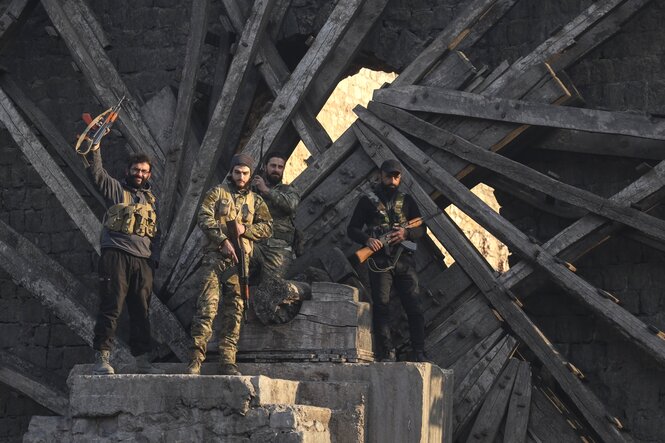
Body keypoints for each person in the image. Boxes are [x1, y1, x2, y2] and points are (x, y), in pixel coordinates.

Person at [188, 153, 273, 375]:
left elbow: (268, 227)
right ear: (232, 171)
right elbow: (204, 216)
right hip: (216, 258)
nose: (241, 177)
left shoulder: (256, 201)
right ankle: (196, 359)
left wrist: (247, 230)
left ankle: (228, 361)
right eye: (237, 172)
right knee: (207, 308)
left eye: (245, 173)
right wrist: (222, 240)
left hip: (240, 263)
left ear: (251, 174)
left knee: (235, 311)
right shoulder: (217, 193)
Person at [89, 149, 163, 375]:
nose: (139, 174)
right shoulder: (116, 190)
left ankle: (142, 360)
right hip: (116, 255)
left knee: (141, 310)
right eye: (135, 170)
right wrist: (95, 149)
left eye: (143, 171)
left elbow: (155, 233)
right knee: (111, 307)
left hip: (142, 261)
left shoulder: (150, 200)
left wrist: (153, 261)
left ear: (149, 174)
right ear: (127, 171)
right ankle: (102, 357)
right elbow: (97, 174)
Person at [347, 159, 427, 362]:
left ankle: (419, 351)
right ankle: (387, 351)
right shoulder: (367, 201)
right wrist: (368, 240)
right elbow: (352, 229)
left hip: (404, 261)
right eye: (389, 176)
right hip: (379, 262)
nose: (392, 180)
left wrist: (406, 234)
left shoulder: (407, 201)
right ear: (380, 175)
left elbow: (421, 228)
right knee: (382, 307)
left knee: (414, 306)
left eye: (396, 176)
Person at [251, 152, 300, 281]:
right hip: (254, 245)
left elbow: (290, 205)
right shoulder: (253, 190)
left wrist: (266, 191)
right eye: (273, 166)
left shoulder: (289, 190)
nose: (276, 170)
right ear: (265, 167)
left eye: (280, 167)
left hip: (278, 250)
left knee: (270, 290)